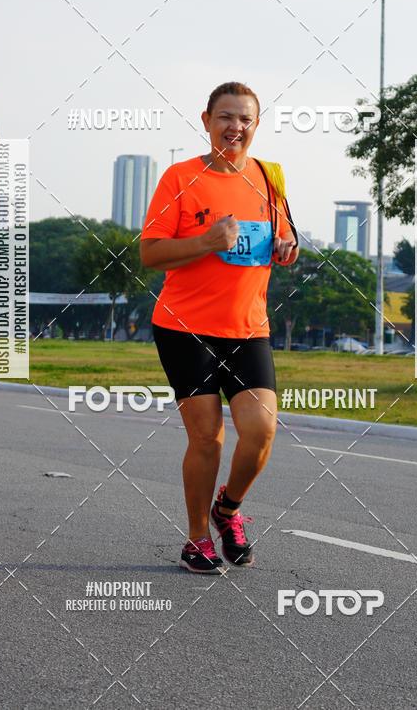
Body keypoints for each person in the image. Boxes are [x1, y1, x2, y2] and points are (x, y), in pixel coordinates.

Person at [140, 82, 299, 573]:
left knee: (261, 430)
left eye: (246, 119)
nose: (236, 127)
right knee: (208, 437)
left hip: (248, 327)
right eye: (226, 117)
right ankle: (196, 539)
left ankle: (227, 510)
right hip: (185, 327)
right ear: (206, 121)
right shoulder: (180, 178)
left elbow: (285, 239)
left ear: (256, 125)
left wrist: (287, 247)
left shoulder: (270, 179)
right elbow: (149, 253)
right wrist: (207, 241)